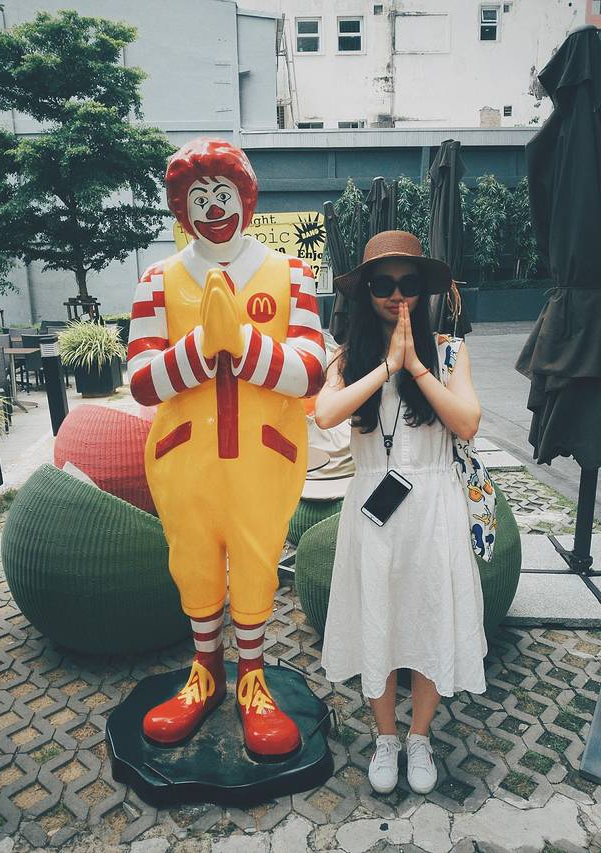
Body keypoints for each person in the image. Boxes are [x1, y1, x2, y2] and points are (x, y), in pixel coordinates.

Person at [127, 138, 326, 759]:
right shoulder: (157, 280)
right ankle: (206, 670)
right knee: (194, 563)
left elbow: (311, 370)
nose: (213, 209)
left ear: (246, 198)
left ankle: (253, 677)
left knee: (257, 562)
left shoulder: (291, 274)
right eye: (198, 198)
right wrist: (198, 348)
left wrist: (240, 343)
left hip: (264, 459)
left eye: (223, 194)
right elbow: (140, 381)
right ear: (180, 209)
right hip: (184, 459)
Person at [316, 230, 487, 795]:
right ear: (366, 292)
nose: (396, 296)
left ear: (424, 291)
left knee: (430, 619)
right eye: (383, 285)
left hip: (434, 509)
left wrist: (415, 366)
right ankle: (385, 736)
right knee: (379, 622)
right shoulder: (347, 358)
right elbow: (326, 414)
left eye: (408, 284)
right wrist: (386, 367)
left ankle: (419, 736)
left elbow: (467, 422)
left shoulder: (451, 352)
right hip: (374, 511)